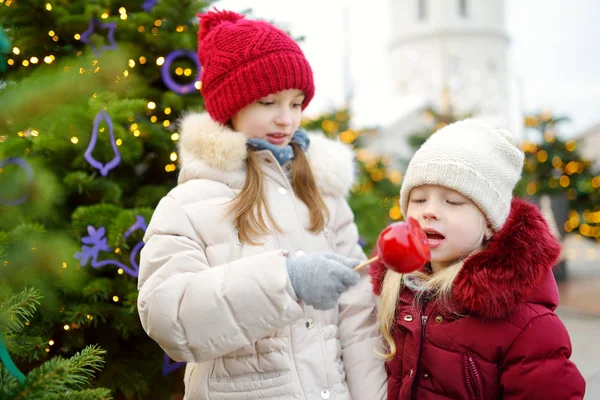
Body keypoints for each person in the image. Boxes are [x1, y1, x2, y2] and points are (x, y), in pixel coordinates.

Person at [137, 9, 386, 400]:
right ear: (230, 106)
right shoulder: (189, 203)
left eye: (297, 103)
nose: (286, 119)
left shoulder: (325, 198)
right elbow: (168, 317)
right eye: (269, 101)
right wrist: (287, 281)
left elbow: (357, 319)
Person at [369, 119, 586, 399]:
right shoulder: (397, 292)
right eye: (419, 200)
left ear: (489, 223)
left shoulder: (526, 325)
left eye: (453, 201)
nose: (429, 212)